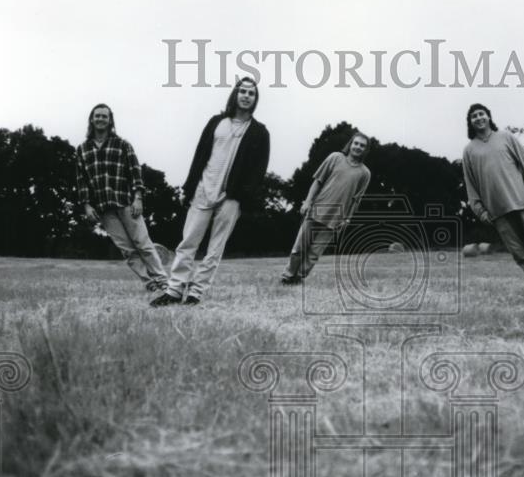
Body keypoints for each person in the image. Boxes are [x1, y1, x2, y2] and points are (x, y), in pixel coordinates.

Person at [151, 77, 270, 307]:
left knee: (215, 248)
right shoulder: (216, 122)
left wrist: (241, 195)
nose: (246, 96)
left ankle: (196, 293)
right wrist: (190, 186)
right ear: (235, 95)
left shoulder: (259, 132)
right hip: (203, 190)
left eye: (251, 93)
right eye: (242, 91)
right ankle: (174, 290)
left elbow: (258, 170)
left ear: (255, 100)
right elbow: (199, 155)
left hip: (231, 198)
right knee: (188, 242)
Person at [461, 104, 524, 290]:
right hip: (496, 210)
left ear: (489, 117)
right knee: (519, 252)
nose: (478, 118)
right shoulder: (469, 150)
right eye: (473, 116)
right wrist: (480, 211)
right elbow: (471, 184)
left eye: (481, 113)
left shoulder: (506, 137)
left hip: (522, 200)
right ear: (470, 122)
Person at [75, 103, 168, 294]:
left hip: (126, 202)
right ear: (91, 120)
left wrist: (138, 197)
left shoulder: (122, 144)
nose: (100, 119)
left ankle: (163, 281)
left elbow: (135, 171)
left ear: (110, 121)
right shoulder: (82, 149)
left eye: (104, 116)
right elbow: (81, 180)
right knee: (127, 250)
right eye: (97, 116)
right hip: (103, 208)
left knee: (143, 243)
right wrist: (86, 205)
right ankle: (149, 283)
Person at [280, 132, 371, 285]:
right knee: (299, 248)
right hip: (316, 210)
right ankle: (287, 276)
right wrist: (307, 202)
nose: (358, 147)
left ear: (366, 150)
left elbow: (357, 200)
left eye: (362, 145)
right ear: (350, 144)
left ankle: (299, 278)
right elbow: (317, 181)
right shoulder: (335, 158)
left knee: (314, 254)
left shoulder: (365, 173)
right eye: (356, 143)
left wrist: (347, 218)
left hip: (336, 219)